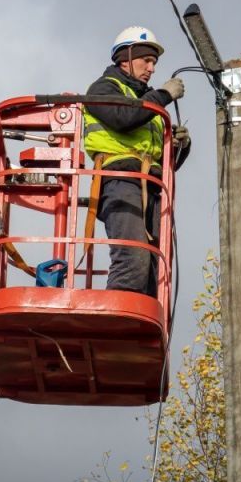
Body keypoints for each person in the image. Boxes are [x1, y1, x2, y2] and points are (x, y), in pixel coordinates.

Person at [84, 26, 190, 298]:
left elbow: (167, 163)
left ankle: (140, 327)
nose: (152, 68)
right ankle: (117, 326)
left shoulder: (146, 104)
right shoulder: (104, 88)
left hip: (150, 187)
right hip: (120, 182)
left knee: (155, 268)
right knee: (133, 258)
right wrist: (163, 96)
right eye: (147, 60)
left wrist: (179, 145)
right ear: (125, 57)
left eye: (154, 62)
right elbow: (123, 118)